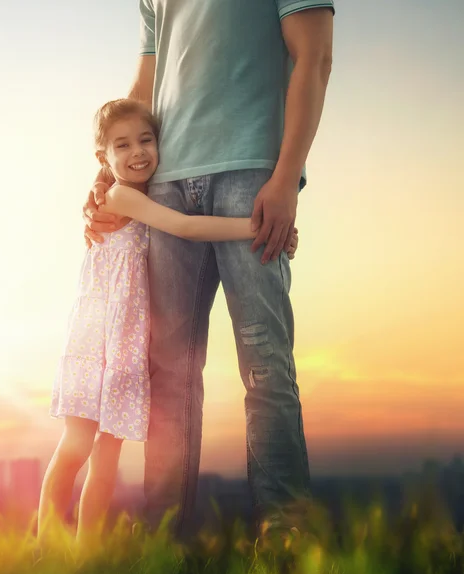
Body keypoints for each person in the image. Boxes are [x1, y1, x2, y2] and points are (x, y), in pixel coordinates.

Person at [83, 1, 335, 539]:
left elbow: (314, 57)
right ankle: (163, 543)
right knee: (169, 373)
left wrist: (286, 179)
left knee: (264, 361)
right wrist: (108, 174)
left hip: (252, 172)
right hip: (167, 180)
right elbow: (145, 88)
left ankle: (284, 539)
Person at [38, 98, 299, 547]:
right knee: (77, 446)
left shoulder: (142, 191)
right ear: (104, 158)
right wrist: (257, 228)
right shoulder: (118, 197)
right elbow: (186, 227)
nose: (138, 151)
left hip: (127, 343)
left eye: (147, 139)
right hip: (97, 338)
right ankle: (43, 545)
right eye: (123, 145)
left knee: (107, 454)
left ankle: (85, 558)